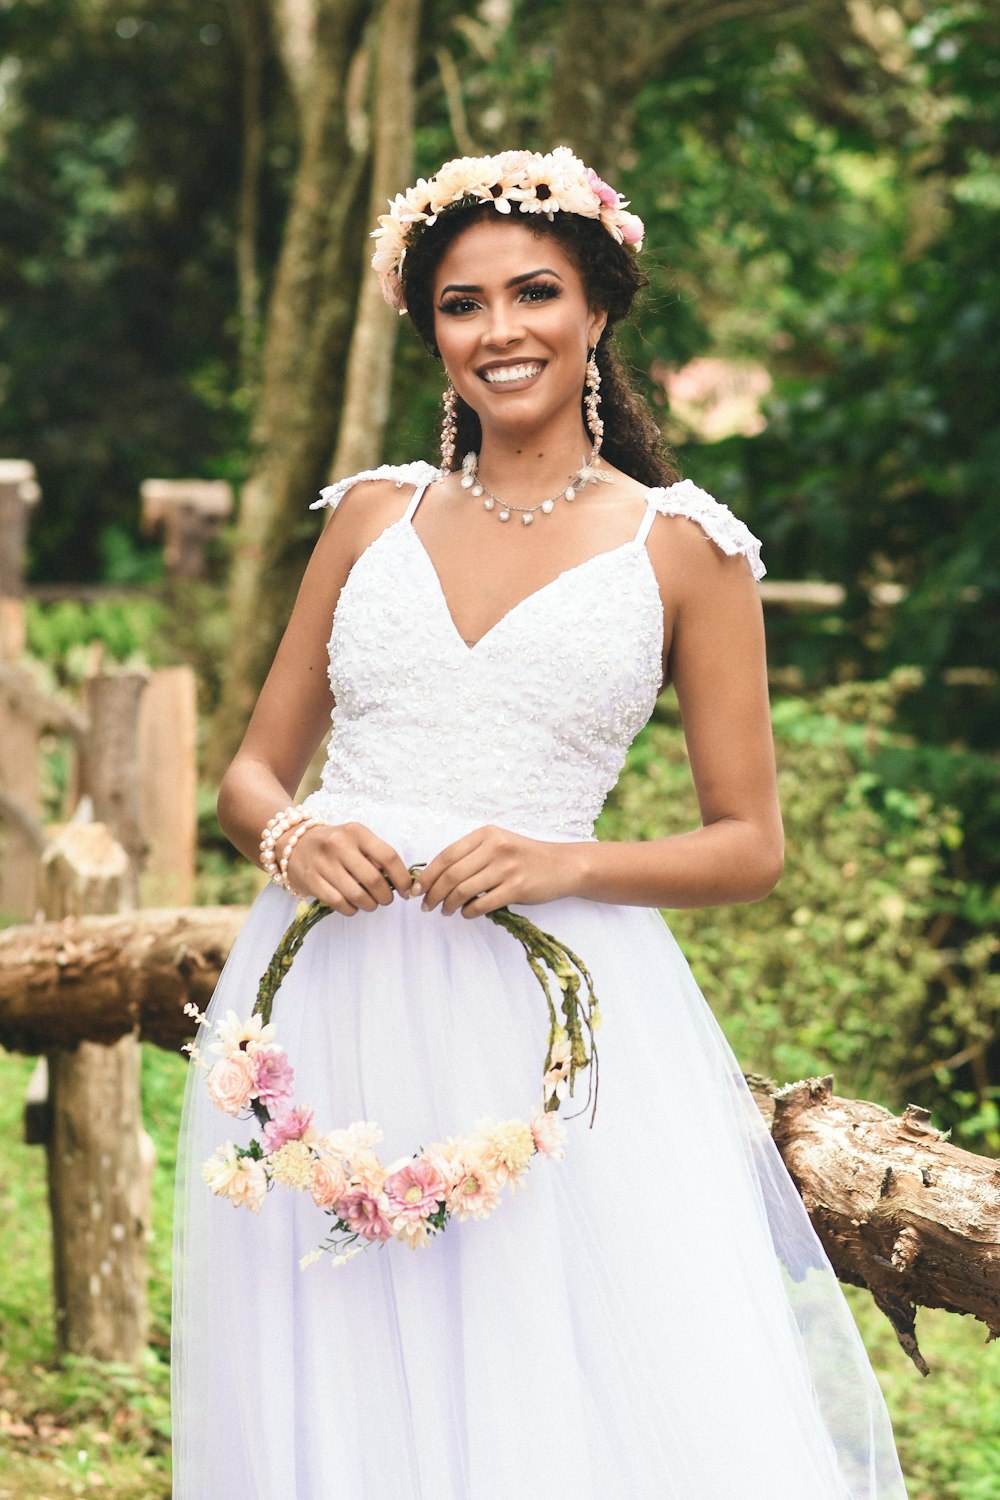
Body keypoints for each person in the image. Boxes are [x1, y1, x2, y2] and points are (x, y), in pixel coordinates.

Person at [172, 147, 907, 1498]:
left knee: (543, 1350)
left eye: (534, 293)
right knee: (342, 1338)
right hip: (327, 986)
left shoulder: (684, 547)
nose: (498, 331)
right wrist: (292, 838)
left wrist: (565, 858)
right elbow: (251, 773)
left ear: (598, 311)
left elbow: (748, 842)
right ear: (430, 327)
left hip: (545, 1009)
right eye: (462, 304)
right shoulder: (370, 519)